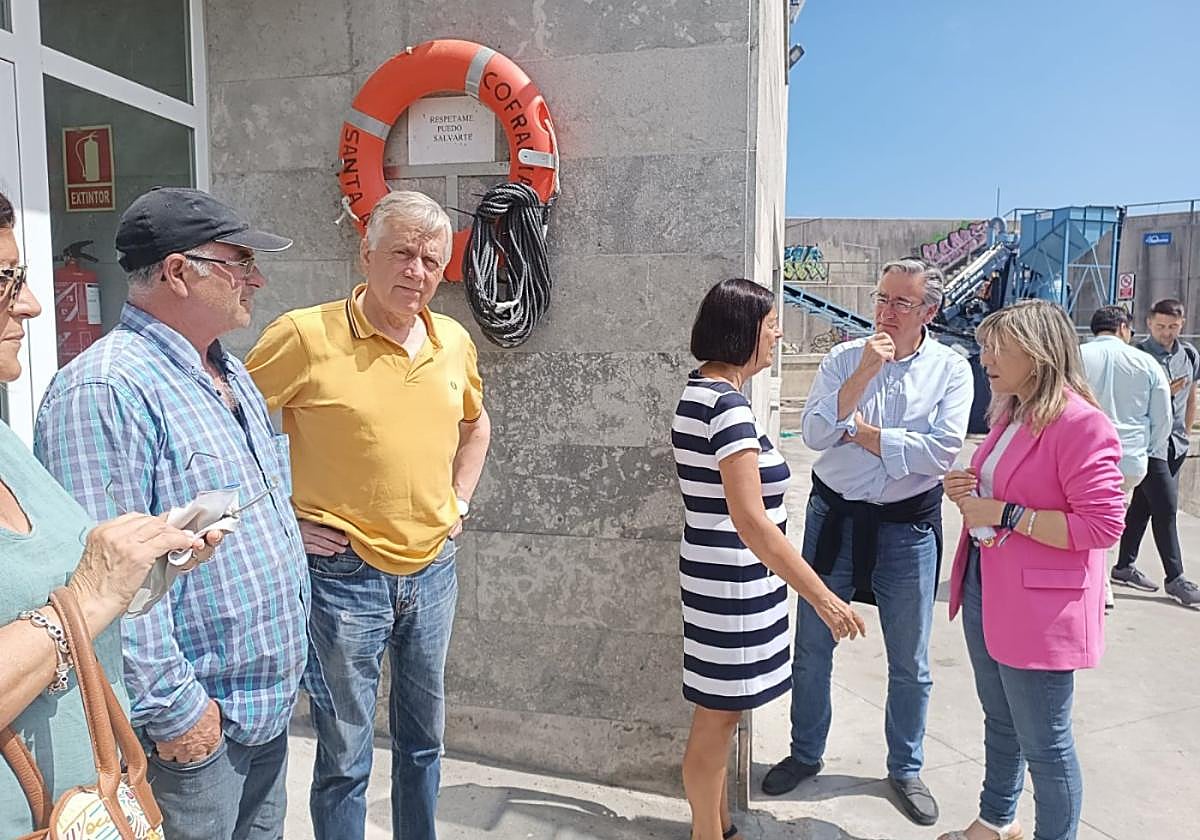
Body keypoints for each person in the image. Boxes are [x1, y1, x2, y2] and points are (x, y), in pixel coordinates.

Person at [33, 187, 308, 840]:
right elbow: (106, 580)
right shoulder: (106, 390)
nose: (258, 278)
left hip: (262, 716)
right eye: (240, 263)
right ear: (180, 271)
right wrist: (179, 714)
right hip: (192, 738)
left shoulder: (231, 374)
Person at [244, 190, 491, 840]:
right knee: (346, 755)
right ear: (367, 252)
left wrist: (459, 502)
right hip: (343, 580)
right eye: (403, 253)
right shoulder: (303, 335)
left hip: (433, 574)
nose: (416, 271)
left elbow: (477, 427)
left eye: (431, 260)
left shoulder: (454, 341)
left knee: (423, 745)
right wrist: (281, 521)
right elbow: (226, 433)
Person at [0, 189, 218, 837]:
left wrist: (147, 567)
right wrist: (93, 593)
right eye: (4, 281)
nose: (32, 305)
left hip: (88, 810)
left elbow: (52, 594)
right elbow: (75, 601)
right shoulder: (100, 384)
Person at [762, 258, 973, 828]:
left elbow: (942, 453)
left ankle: (905, 767)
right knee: (811, 647)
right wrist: (861, 375)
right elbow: (813, 434)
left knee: (910, 658)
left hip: (907, 526)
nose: (886, 312)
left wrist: (859, 432)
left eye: (901, 303)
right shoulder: (841, 358)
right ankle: (805, 753)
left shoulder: (951, 370)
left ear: (929, 311)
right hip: (835, 517)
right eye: (882, 299)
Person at [674, 278, 866, 840]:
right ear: (743, 330)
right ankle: (706, 833)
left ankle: (720, 825)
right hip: (732, 585)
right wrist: (824, 598)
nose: (779, 332)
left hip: (724, 579)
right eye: (771, 323)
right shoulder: (727, 409)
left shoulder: (702, 392)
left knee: (722, 715)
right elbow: (753, 521)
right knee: (717, 720)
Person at [942, 300, 1125, 840]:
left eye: (999, 346)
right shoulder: (1012, 411)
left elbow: (1101, 527)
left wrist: (1005, 512)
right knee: (1000, 722)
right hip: (987, 584)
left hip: (1040, 609)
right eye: (983, 345)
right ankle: (997, 820)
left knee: (1046, 745)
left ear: (1039, 352)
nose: (985, 356)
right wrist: (970, 490)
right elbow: (1001, 488)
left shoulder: (1081, 423)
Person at [1079, 305, 1172, 611]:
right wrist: (1147, 449)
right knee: (1109, 521)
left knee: (1081, 520)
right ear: (1122, 328)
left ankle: (1098, 584)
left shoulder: (1076, 358)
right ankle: (1101, 584)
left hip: (1081, 457)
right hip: (1128, 460)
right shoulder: (1146, 363)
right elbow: (1163, 419)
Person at [1112, 298, 1200, 606]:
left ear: (1182, 324)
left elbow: (1191, 397)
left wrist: (1186, 433)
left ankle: (1124, 567)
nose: (1166, 332)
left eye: (1173, 326)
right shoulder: (1136, 356)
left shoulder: (1189, 354)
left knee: (1142, 507)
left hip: (1175, 443)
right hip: (1148, 446)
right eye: (1161, 326)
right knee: (1166, 508)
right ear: (1149, 323)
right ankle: (1176, 578)